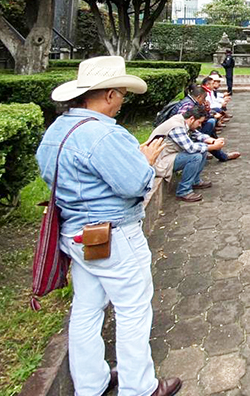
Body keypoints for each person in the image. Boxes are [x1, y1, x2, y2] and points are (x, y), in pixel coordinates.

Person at [37, 56, 182, 396]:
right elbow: (135, 184)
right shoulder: (103, 134)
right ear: (109, 94)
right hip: (113, 234)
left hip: (75, 234)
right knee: (133, 310)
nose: (121, 102)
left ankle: (91, 383)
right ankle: (140, 387)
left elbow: (48, 173)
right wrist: (146, 162)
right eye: (120, 95)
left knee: (87, 309)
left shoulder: (58, 130)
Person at [149, 104, 224, 203]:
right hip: (159, 162)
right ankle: (183, 191)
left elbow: (196, 134)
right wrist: (213, 147)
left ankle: (195, 181)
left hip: (168, 156)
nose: (200, 126)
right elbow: (191, 148)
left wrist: (212, 140)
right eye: (199, 122)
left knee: (202, 150)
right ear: (192, 118)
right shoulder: (176, 127)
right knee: (195, 156)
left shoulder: (183, 121)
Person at [178, 85, 240, 160]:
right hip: (183, 133)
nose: (204, 101)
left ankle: (217, 149)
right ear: (199, 97)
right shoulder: (188, 105)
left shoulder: (192, 102)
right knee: (209, 124)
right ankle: (220, 154)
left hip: (189, 130)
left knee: (208, 125)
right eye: (203, 99)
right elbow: (184, 123)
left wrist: (207, 109)